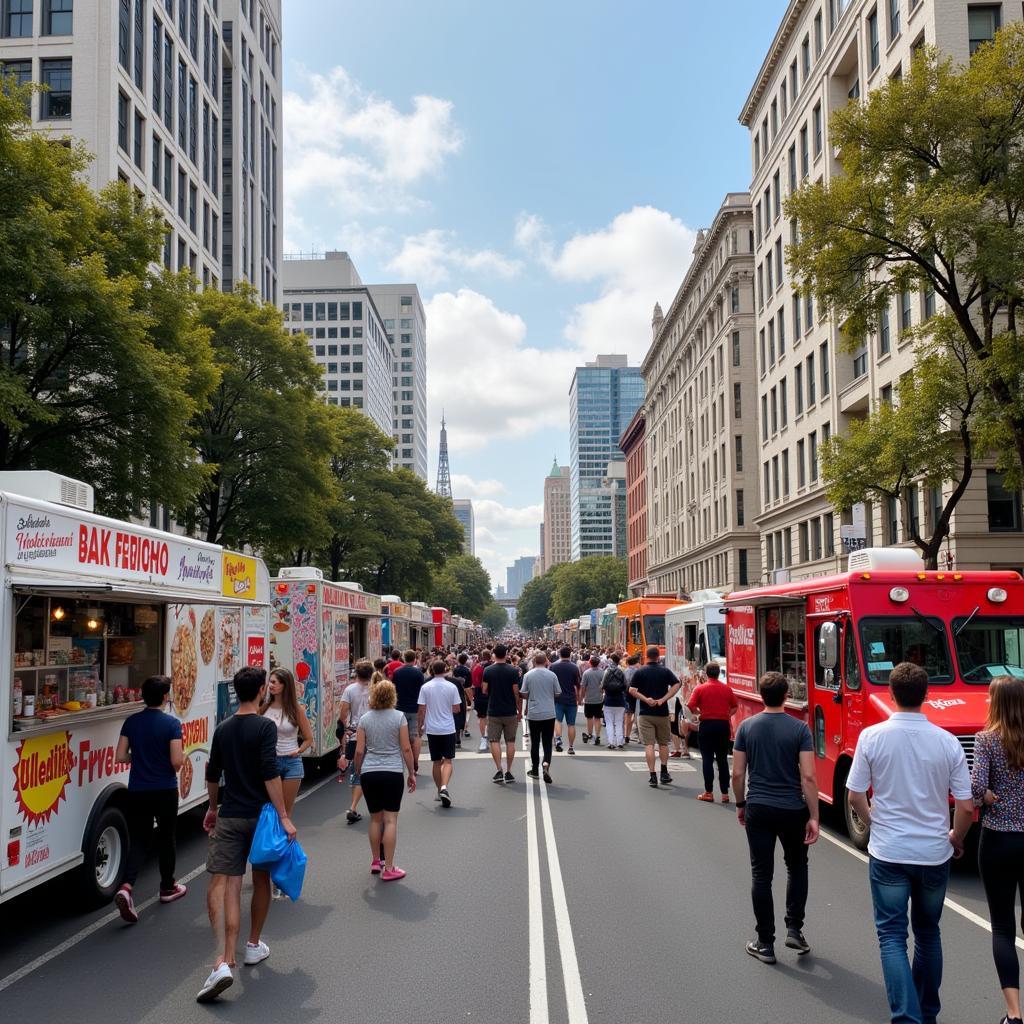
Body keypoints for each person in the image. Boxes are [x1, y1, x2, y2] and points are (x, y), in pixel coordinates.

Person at [847, 661, 974, 1024]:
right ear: (927, 696)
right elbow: (965, 806)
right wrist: (955, 837)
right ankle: (927, 1011)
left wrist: (874, 825)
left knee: (891, 936)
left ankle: (906, 1016)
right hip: (934, 852)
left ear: (890, 693)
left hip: (889, 851)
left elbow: (855, 795)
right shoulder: (947, 742)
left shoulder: (872, 737)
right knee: (929, 932)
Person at [197, 666, 296, 1004]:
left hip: (231, 815)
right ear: (259, 693)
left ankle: (223, 960)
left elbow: (213, 773)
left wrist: (212, 807)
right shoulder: (265, 727)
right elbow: (270, 772)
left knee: (228, 884)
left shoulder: (223, 728)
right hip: (262, 818)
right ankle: (253, 945)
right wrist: (284, 815)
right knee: (262, 880)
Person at [731, 671, 820, 965]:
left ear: (760, 694)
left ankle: (765, 943)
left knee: (761, 875)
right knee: (797, 867)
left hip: (759, 806)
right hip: (792, 809)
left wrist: (742, 803)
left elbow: (738, 772)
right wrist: (814, 816)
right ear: (786, 696)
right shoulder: (800, 729)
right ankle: (794, 928)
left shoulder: (747, 727)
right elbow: (807, 776)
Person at [972, 675, 1024, 1024]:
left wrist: (988, 796)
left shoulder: (987, 740)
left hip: (998, 839)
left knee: (1004, 928)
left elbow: (975, 789)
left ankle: (1014, 1014)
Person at [113, 675, 186, 924]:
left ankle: (126, 886)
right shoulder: (171, 724)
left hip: (138, 790)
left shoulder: (131, 722)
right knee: (167, 838)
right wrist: (181, 756)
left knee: (139, 840)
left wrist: (140, 756)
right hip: (164, 789)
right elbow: (176, 762)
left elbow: (120, 756)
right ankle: (167, 887)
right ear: (165, 697)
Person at [355, 677, 416, 882]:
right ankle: (389, 868)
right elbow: (406, 748)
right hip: (392, 772)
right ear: (392, 696)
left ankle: (375, 860)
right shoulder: (399, 717)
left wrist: (357, 772)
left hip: (369, 771)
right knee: (390, 820)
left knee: (375, 819)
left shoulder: (365, 719)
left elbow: (359, 750)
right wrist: (412, 772)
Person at [260, 668, 313, 816]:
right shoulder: (263, 708)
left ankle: (284, 839)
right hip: (270, 762)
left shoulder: (296, 709)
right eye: (270, 682)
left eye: (274, 682)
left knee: (286, 812)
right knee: (271, 810)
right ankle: (271, 839)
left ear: (285, 685)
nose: (270, 685)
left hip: (292, 763)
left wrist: (299, 750)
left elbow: (309, 738)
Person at [629, 645, 680, 788]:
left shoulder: (640, 672)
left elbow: (632, 690)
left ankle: (652, 775)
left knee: (649, 745)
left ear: (646, 656)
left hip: (645, 713)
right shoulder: (665, 671)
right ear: (658, 657)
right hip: (662, 712)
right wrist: (664, 699)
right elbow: (677, 684)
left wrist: (646, 699)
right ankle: (664, 771)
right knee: (663, 743)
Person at [688, 662, 738, 802]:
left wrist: (699, 713)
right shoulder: (727, 689)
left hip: (707, 725)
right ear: (718, 673)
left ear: (706, 673)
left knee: (707, 759)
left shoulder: (700, 689)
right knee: (722, 759)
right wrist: (726, 715)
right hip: (723, 725)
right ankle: (725, 794)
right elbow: (735, 706)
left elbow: (690, 705)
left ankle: (708, 792)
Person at [417, 660, 463, 808]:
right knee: (448, 760)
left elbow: (422, 710)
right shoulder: (452, 686)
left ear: (431, 670)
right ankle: (444, 787)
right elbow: (457, 709)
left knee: (436, 761)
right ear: (445, 670)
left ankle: (439, 790)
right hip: (448, 727)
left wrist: (420, 726)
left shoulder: (425, 687)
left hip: (432, 728)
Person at [338, 661, 373, 825]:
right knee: (373, 768)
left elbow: (343, 712)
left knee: (357, 769)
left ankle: (353, 806)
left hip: (355, 733)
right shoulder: (376, 688)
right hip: (374, 732)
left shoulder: (349, 689)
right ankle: (359, 806)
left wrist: (345, 727)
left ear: (356, 673)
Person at [483, 643, 523, 784]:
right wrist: (519, 708)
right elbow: (516, 692)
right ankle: (509, 771)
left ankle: (499, 769)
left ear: (494, 654)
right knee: (510, 741)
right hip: (510, 710)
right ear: (506, 654)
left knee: (494, 740)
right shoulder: (513, 670)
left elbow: (484, 690)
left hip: (494, 710)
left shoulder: (487, 670)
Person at [519, 650, 560, 784]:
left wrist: (531, 696)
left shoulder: (528, 675)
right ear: (546, 661)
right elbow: (558, 692)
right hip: (549, 712)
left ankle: (535, 769)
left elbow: (523, 693)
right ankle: (546, 764)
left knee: (535, 742)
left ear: (535, 662)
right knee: (547, 742)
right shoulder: (552, 675)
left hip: (534, 712)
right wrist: (549, 696)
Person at [392, 650, 425, 773]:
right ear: (414, 659)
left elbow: (393, 689)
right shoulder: (418, 673)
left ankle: (405, 762)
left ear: (404, 659)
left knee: (401, 737)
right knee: (416, 735)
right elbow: (423, 691)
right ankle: (415, 761)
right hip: (415, 708)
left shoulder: (397, 672)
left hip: (400, 708)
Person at [551, 646, 581, 755]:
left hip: (557, 699)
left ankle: (558, 738)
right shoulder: (574, 668)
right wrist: (579, 698)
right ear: (570, 654)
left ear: (559, 654)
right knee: (571, 724)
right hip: (571, 699)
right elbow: (578, 685)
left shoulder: (553, 666)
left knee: (558, 720)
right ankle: (571, 747)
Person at [600, 653, 628, 749]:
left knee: (609, 722)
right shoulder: (622, 670)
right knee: (619, 722)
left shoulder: (606, 671)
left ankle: (611, 742)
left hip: (609, 699)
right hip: (620, 699)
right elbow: (626, 685)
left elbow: (603, 684)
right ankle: (620, 742)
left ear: (611, 660)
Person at [580, 655, 606, 746]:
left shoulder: (586, 673)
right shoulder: (602, 672)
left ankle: (590, 734)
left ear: (590, 663)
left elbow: (583, 687)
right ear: (598, 664)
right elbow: (603, 685)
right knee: (598, 718)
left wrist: (581, 697)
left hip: (589, 698)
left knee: (589, 718)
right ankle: (598, 736)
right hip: (598, 698)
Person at [471, 648, 492, 753]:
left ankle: (483, 736)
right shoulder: (491, 667)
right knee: (491, 716)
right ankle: (489, 734)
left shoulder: (476, 668)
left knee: (481, 717)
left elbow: (474, 682)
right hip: (490, 693)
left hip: (479, 694)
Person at [452, 652, 474, 739]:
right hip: (465, 691)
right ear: (465, 661)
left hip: (456, 691)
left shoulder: (455, 669)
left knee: (456, 711)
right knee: (466, 711)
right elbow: (469, 684)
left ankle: (457, 727)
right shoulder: (467, 670)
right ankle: (465, 728)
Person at [623, 654, 641, 744]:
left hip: (626, 695)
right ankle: (633, 735)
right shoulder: (637, 672)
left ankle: (626, 735)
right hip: (636, 695)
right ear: (636, 663)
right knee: (636, 715)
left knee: (627, 715)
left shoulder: (625, 671)